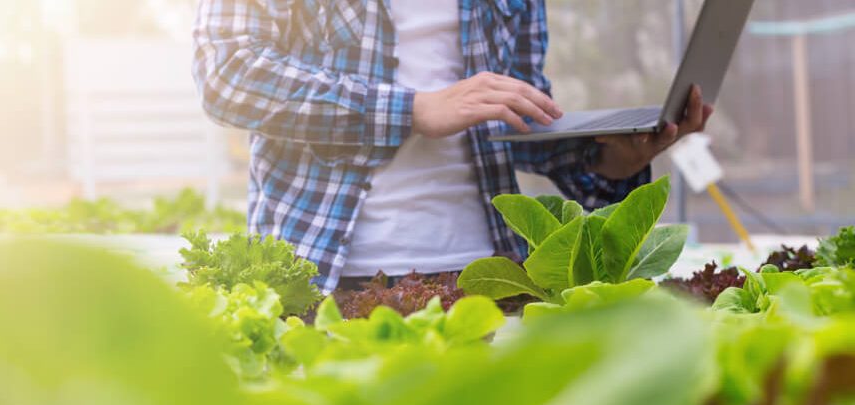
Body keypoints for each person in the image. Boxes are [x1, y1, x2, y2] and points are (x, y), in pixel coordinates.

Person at [192, 0, 713, 293]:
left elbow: (513, 115)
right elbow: (229, 76)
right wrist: (414, 109)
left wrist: (616, 159)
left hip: (489, 276)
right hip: (328, 276)